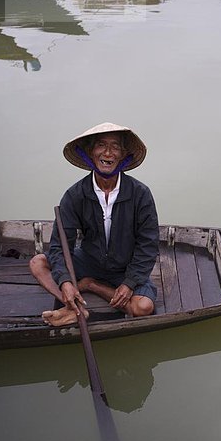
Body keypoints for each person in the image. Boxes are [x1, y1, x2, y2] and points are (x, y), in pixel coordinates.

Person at [30, 122, 159, 327]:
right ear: (90, 153)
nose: (107, 152)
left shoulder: (140, 194)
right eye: (100, 145)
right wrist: (65, 281)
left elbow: (148, 245)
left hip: (124, 267)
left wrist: (129, 283)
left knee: (143, 307)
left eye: (115, 146)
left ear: (123, 155)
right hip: (89, 259)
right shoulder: (75, 195)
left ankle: (91, 285)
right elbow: (60, 246)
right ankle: (75, 307)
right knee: (38, 263)